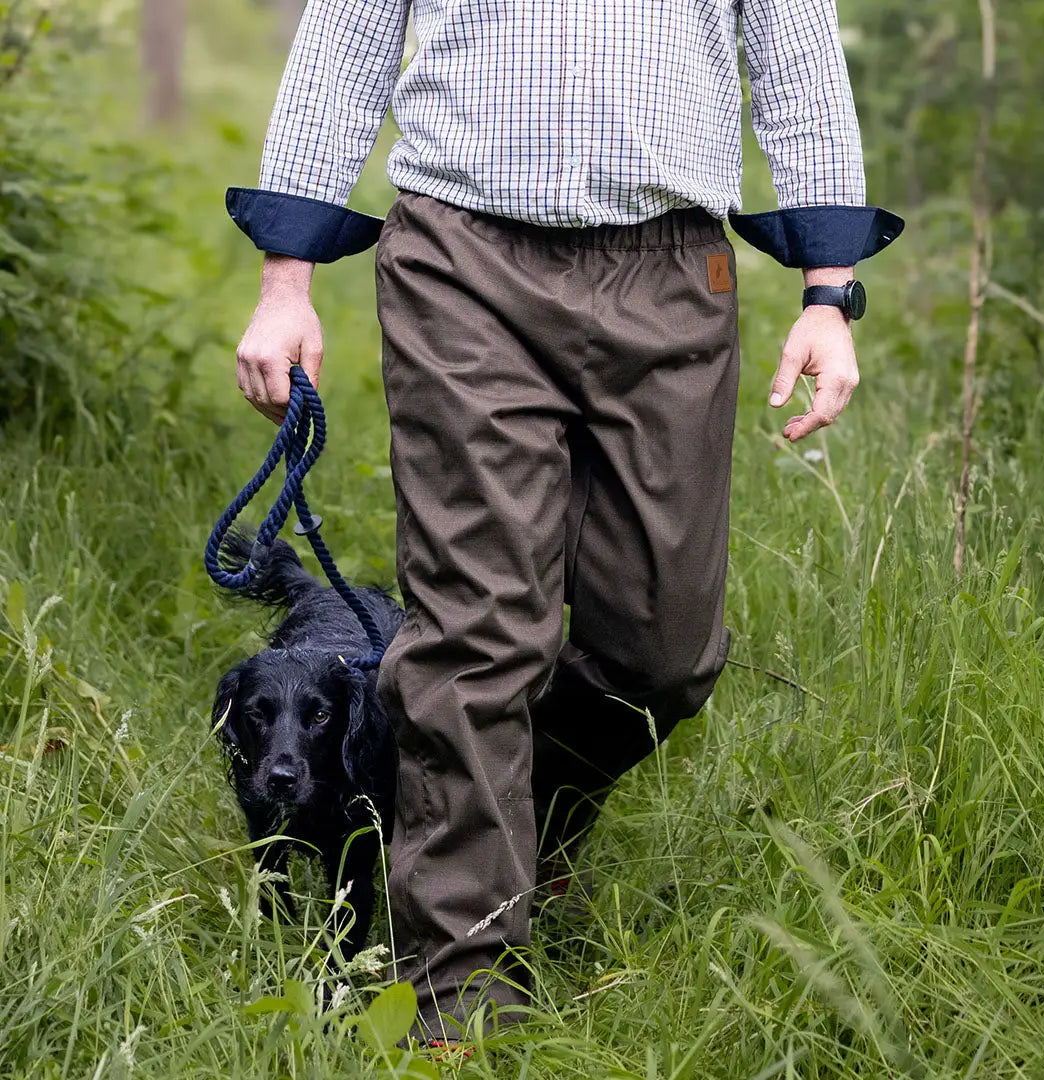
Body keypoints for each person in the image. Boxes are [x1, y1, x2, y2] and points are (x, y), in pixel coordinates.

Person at [226, 0, 902, 1041]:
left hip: (672, 271)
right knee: (480, 635)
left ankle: (477, 810)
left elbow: (798, 57)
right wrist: (287, 279)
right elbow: (342, 44)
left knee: (662, 654)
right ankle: (455, 1005)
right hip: (463, 264)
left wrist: (830, 290)